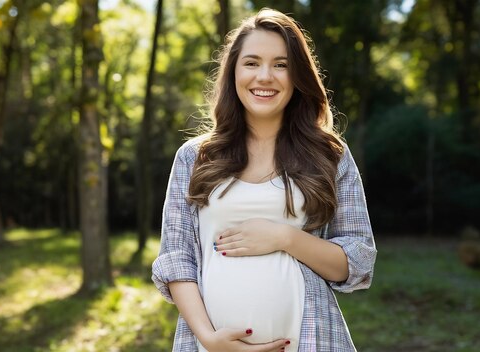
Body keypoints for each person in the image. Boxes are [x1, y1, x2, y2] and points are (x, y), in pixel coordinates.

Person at [152, 8, 376, 352]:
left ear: (297, 76)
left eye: (281, 65)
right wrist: (209, 339)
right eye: (252, 63)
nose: (265, 76)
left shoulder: (329, 154)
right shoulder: (195, 157)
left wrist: (285, 237)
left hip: (312, 341)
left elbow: (357, 261)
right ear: (234, 73)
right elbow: (177, 259)